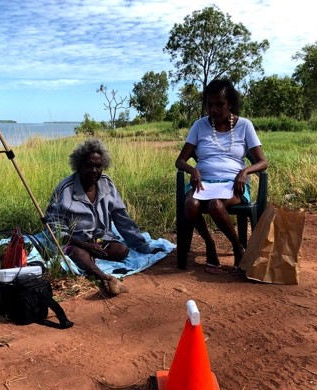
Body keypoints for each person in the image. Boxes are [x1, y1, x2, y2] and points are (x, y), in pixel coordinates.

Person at [175, 78, 268, 275]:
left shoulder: (244, 125)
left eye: (220, 104)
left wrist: (244, 172)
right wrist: (193, 171)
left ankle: (238, 248)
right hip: (204, 182)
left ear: (230, 104)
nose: (214, 109)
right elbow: (180, 161)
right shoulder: (199, 126)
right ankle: (210, 245)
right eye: (210, 104)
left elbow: (262, 162)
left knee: (215, 205)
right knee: (191, 204)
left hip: (233, 183)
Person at [45, 138, 161, 295]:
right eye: (89, 165)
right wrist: (85, 245)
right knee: (79, 254)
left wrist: (142, 246)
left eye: (98, 166)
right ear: (79, 165)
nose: (94, 170)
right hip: (75, 240)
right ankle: (105, 278)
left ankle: (91, 260)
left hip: (99, 239)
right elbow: (54, 228)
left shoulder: (107, 184)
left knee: (122, 250)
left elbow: (122, 219)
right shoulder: (65, 189)